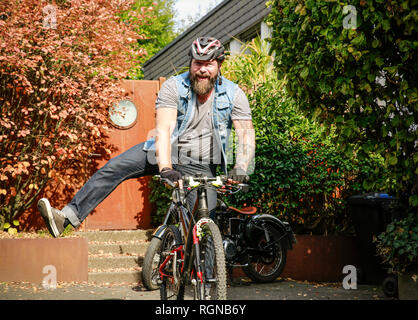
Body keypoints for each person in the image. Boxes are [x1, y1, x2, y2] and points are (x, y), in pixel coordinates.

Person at [38, 36, 255, 238]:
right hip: (165, 149)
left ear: (219, 65)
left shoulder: (234, 94)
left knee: (204, 223)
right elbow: (164, 130)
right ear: (190, 63)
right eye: (197, 63)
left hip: (200, 162)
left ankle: (207, 277)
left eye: (208, 64)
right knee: (115, 167)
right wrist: (165, 168)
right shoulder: (174, 86)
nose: (202, 70)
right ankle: (66, 217)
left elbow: (245, 135)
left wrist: (242, 167)